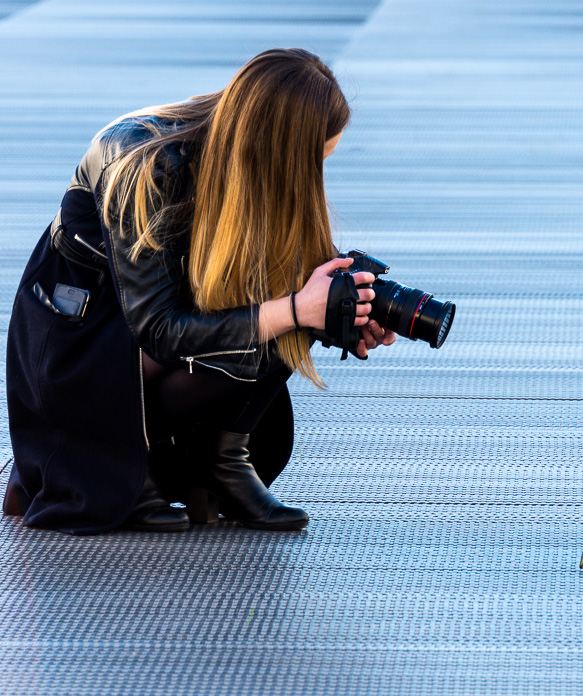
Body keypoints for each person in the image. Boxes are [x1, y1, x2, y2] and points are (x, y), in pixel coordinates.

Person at [2, 48, 396, 536]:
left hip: (144, 335)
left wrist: (346, 311)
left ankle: (219, 456)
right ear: (279, 148)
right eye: (310, 163)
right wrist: (296, 309)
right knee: (294, 305)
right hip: (83, 338)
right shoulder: (142, 163)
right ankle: (120, 462)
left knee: (315, 288)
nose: (312, 179)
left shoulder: (243, 161)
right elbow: (158, 328)